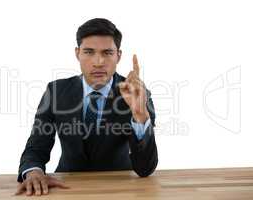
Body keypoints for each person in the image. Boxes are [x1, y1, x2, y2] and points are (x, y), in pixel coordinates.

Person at [15, 18, 158, 196]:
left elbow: (145, 169)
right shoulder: (56, 91)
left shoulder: (137, 94)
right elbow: (37, 147)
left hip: (120, 189)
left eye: (107, 53)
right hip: (66, 187)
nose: (98, 62)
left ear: (118, 56)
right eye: (89, 52)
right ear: (77, 53)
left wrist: (140, 114)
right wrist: (34, 171)